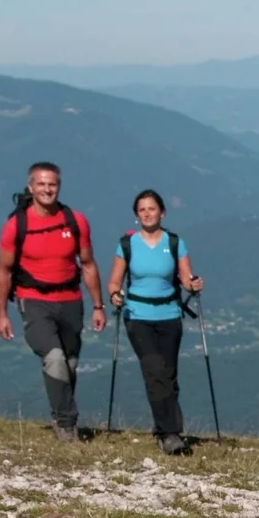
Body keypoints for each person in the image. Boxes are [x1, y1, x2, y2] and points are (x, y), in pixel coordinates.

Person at [0, 162, 106, 441]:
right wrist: (2, 314)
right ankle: (67, 425)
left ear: (59, 187)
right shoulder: (16, 226)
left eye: (52, 184)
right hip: (33, 301)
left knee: (69, 363)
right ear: (31, 187)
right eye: (41, 184)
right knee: (54, 359)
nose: (47, 189)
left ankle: (59, 414)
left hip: (70, 300)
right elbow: (4, 271)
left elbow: (89, 264)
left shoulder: (75, 221)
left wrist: (97, 305)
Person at [107, 189, 204, 455]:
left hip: (170, 315)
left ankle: (163, 429)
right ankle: (171, 434)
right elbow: (114, 281)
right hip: (138, 317)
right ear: (137, 216)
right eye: (142, 210)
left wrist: (193, 284)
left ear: (162, 212)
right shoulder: (127, 245)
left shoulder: (175, 243)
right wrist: (115, 295)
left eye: (152, 209)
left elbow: (185, 278)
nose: (147, 213)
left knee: (168, 375)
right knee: (155, 371)